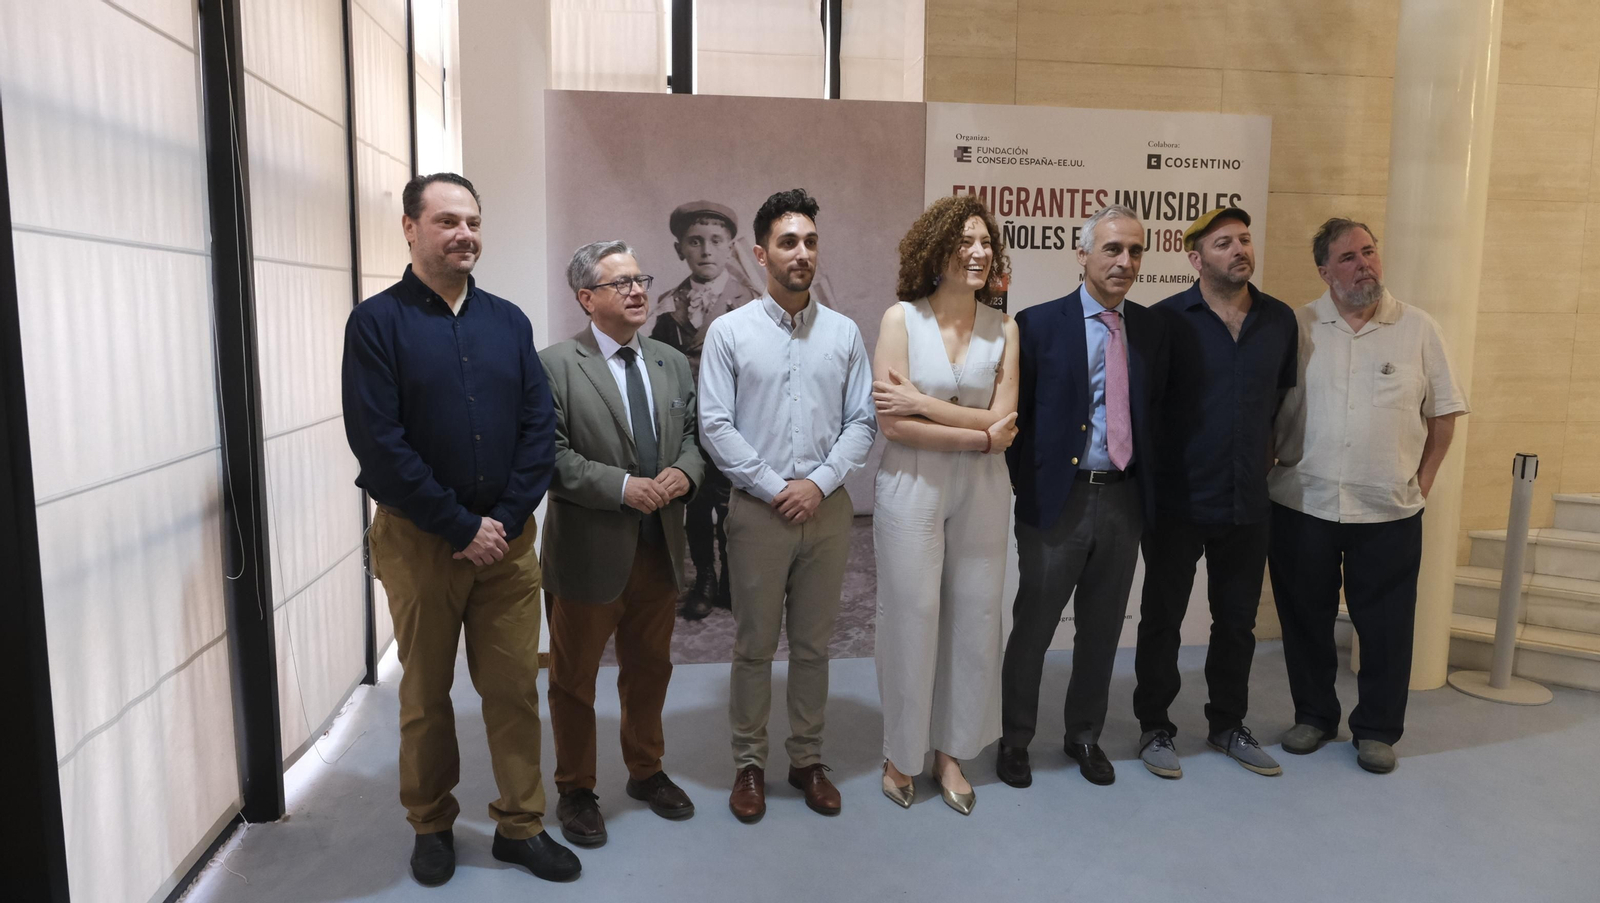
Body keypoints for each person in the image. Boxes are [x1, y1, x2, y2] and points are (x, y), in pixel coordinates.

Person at [342, 172, 579, 886]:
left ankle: (520, 824)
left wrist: (502, 520)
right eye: (447, 221)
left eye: (472, 221)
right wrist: (457, 524)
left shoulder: (508, 322)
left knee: (514, 689)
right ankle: (431, 823)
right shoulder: (376, 324)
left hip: (507, 543)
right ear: (410, 228)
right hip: (420, 542)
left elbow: (539, 427)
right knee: (425, 694)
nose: (464, 234)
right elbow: (378, 444)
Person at [698, 188, 876, 822]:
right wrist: (776, 487)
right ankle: (749, 763)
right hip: (758, 512)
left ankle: (807, 759)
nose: (802, 253)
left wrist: (818, 484)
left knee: (813, 645)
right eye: (788, 242)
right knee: (753, 646)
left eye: (811, 241)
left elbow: (862, 421)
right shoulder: (730, 332)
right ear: (760, 254)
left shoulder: (843, 332)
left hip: (826, 511)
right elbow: (715, 425)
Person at [1268, 218, 1467, 774]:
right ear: (1324, 272)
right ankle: (1314, 715)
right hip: (1302, 502)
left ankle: (1377, 729)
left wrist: (1423, 481)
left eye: (1369, 252)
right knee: (1305, 620)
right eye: (1348, 258)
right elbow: (1267, 409)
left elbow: (1443, 413)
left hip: (1387, 509)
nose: (1364, 265)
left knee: (1386, 627)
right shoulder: (1297, 327)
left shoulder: (1419, 328)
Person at [539, 240, 706, 848]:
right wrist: (622, 488)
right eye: (621, 283)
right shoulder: (555, 365)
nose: (637, 291)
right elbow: (550, 457)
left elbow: (693, 438)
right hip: (588, 552)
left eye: (640, 279)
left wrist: (685, 473)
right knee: (573, 679)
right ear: (587, 298)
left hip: (658, 548)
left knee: (649, 669)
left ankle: (646, 769)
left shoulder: (670, 361)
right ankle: (576, 788)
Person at [997, 204, 1169, 789]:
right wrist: (1030, 486)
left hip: (1124, 500)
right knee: (1034, 627)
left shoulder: (1151, 330)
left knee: (1102, 629)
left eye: (1135, 251)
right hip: (1058, 503)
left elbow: (1156, 415)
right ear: (1082, 254)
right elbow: (1016, 419)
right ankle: (1015, 738)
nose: (1125, 261)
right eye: (1112, 248)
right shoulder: (1037, 324)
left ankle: (1084, 735)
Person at [1133, 207, 1297, 781]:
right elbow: (1147, 410)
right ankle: (1154, 726)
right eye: (1223, 242)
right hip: (1177, 502)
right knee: (1162, 619)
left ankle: (1228, 724)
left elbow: (1279, 402)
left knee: (1236, 623)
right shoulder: (1164, 321)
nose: (1239, 250)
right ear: (1195, 258)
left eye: (1244, 239)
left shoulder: (1279, 319)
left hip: (1247, 502)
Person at [871, 196, 1019, 815]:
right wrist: (978, 435)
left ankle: (952, 752)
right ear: (936, 250)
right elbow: (893, 425)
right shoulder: (900, 320)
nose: (979, 252)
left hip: (984, 489)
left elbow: (1007, 418)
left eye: (986, 241)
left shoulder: (1004, 328)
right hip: (913, 483)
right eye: (965, 241)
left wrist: (925, 405)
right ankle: (902, 752)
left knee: (976, 616)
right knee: (912, 614)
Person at [650, 202, 762, 620]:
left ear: (731, 247)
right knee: (696, 505)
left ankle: (732, 580)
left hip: (736, 422)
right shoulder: (667, 304)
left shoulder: (750, 300)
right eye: (695, 241)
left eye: (716, 241)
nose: (706, 250)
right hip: (689, 426)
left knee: (732, 504)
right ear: (680, 249)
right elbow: (659, 365)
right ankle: (705, 580)